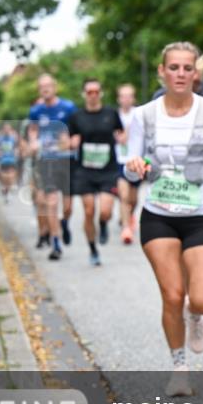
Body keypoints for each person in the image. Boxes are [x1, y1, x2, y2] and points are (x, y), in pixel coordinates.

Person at [124, 42, 203, 397]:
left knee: (201, 299)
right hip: (159, 215)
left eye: (187, 68)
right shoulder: (142, 115)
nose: (180, 74)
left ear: (196, 73)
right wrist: (134, 168)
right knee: (172, 294)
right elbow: (131, 167)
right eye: (173, 67)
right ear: (162, 72)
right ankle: (179, 368)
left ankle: (196, 315)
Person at [152, 57, 203, 322]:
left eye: (195, 76)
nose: (190, 81)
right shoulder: (160, 97)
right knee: (182, 243)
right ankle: (192, 290)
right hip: (174, 182)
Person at [68, 79, 124, 266]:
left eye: (96, 91)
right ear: (84, 94)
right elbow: (69, 139)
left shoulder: (111, 113)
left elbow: (122, 133)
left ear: (101, 93)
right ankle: (93, 249)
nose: (93, 95)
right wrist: (71, 143)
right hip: (85, 170)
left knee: (106, 211)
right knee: (89, 210)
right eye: (89, 92)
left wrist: (123, 138)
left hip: (108, 170)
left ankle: (103, 224)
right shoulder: (77, 117)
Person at [27, 74, 77, 260]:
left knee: (68, 206)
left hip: (67, 161)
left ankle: (65, 222)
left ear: (55, 87)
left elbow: (77, 130)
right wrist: (33, 142)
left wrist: (72, 140)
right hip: (47, 162)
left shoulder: (68, 107)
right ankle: (56, 243)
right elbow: (32, 131)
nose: (45, 89)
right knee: (51, 201)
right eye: (42, 86)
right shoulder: (35, 111)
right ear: (39, 90)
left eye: (48, 85)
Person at [115, 83, 141, 244]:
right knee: (124, 195)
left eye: (129, 96)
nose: (126, 99)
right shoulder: (113, 115)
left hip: (136, 160)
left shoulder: (139, 114)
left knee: (134, 198)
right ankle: (126, 228)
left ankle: (130, 215)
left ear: (133, 98)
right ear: (119, 99)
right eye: (123, 96)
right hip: (120, 160)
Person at [0, 123, 20, 203]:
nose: (7, 131)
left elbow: (16, 147)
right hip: (2, 160)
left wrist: (16, 152)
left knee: (10, 176)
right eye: (5, 129)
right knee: (4, 178)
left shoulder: (13, 139)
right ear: (3, 130)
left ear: (10, 130)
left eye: (9, 129)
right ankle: (5, 191)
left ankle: (8, 192)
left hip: (11, 160)